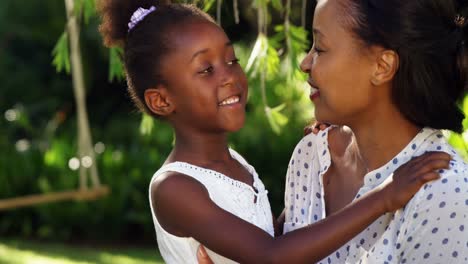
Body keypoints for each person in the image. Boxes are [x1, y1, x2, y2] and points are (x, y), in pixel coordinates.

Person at [97, 1, 451, 263]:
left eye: (231, 59)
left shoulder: (233, 164)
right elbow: (270, 255)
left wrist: (305, 195)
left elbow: (271, 235)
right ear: (161, 101)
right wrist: (383, 197)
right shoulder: (174, 188)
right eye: (206, 70)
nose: (230, 75)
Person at [283, 0, 468, 263]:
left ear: (382, 67)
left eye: (320, 49)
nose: (304, 63)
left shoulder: (445, 194)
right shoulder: (311, 155)